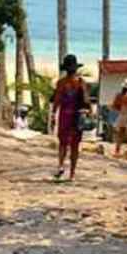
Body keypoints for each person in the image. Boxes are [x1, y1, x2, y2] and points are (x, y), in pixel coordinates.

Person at [51, 53, 90, 181]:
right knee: (75, 145)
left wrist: (53, 114)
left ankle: (61, 165)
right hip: (77, 116)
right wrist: (89, 112)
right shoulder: (80, 82)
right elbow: (86, 100)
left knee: (63, 143)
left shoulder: (61, 83)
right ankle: (72, 174)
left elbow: (57, 100)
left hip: (64, 115)